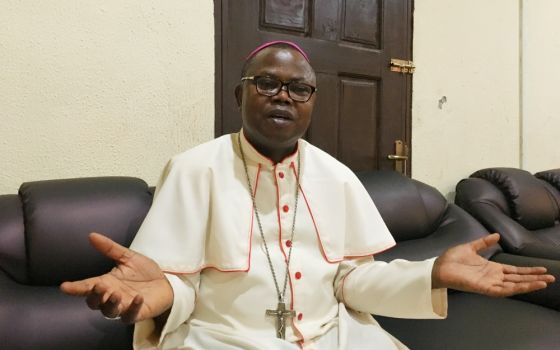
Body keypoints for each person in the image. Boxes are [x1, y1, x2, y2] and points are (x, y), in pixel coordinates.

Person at [61, 41, 554, 350]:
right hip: (224, 339)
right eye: (268, 84)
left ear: (312, 102)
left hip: (333, 336)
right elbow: (180, 283)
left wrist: (432, 273)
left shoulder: (336, 177)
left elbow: (350, 282)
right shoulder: (193, 169)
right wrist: (164, 291)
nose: (283, 96)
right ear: (240, 96)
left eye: (299, 89)